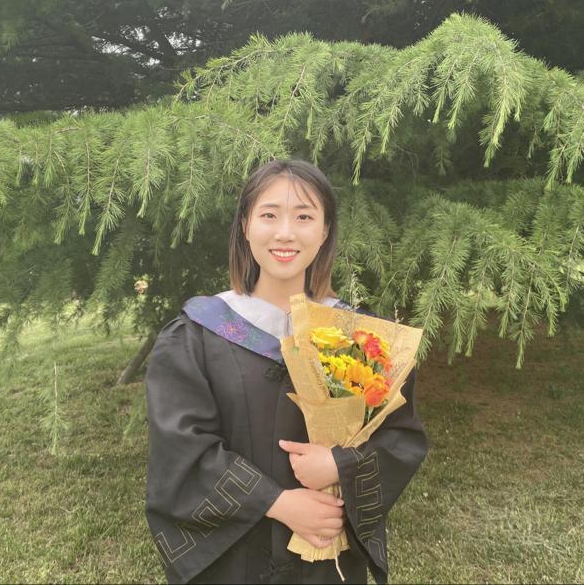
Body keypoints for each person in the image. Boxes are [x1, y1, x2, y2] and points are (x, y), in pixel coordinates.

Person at [144, 159, 427, 584]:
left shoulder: (358, 337)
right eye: (269, 215)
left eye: (304, 217)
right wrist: (277, 502)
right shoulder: (197, 334)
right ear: (245, 225)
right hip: (235, 562)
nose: (285, 233)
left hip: (324, 561)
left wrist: (341, 465)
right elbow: (180, 449)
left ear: (325, 230)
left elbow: (401, 439)